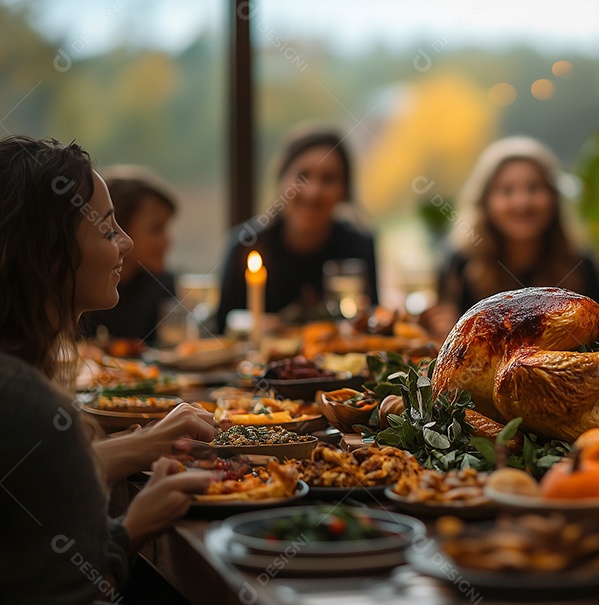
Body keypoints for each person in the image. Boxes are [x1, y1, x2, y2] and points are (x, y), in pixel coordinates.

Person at [0, 136, 217, 602]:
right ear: (50, 255)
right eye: (107, 229)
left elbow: (30, 482)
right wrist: (135, 528)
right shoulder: (28, 405)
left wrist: (140, 444)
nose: (128, 242)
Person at [423, 136, 599, 339]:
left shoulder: (581, 264)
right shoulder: (458, 265)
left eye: (534, 188)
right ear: (484, 202)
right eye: (506, 191)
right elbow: (443, 341)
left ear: (554, 198)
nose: (521, 203)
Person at [215, 126, 379, 332]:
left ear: (344, 191)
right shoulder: (245, 244)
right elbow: (221, 327)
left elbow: (373, 324)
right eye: (302, 176)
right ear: (282, 180)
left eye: (328, 179)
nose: (313, 192)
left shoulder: (359, 246)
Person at [80, 165, 179, 345]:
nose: (168, 241)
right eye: (156, 229)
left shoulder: (161, 284)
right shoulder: (85, 287)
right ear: (116, 227)